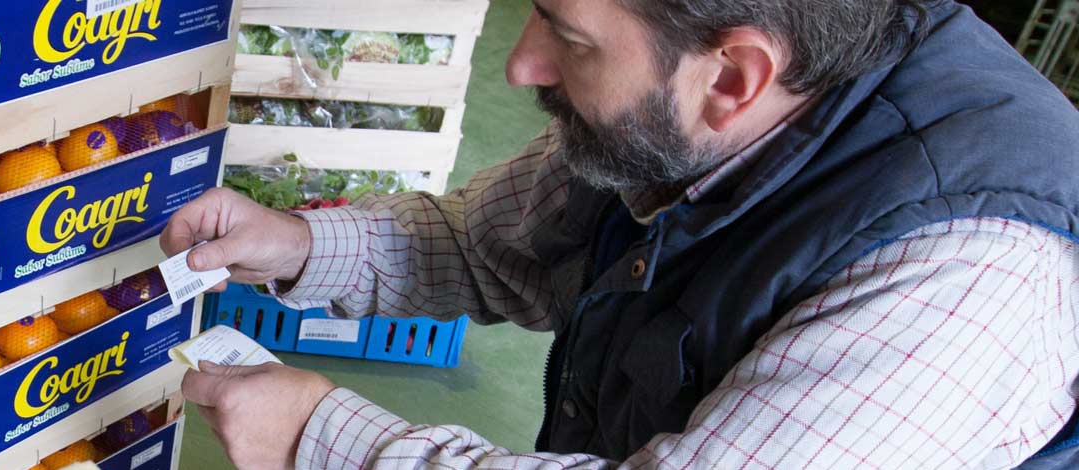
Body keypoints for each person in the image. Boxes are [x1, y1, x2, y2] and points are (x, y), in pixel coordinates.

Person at [163, 0, 1079, 468]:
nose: (523, 64)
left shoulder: (962, 277)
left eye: (571, 38)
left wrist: (323, 438)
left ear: (733, 78)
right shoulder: (686, 114)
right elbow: (493, 244)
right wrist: (295, 244)